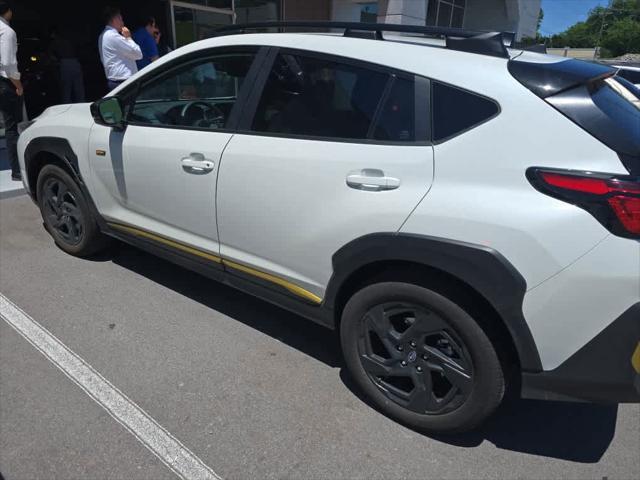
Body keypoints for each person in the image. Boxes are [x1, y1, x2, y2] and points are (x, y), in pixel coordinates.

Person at [0, 0, 22, 181]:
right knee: (13, 127)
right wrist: (18, 85)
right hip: (6, 83)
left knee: (9, 126)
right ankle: (17, 170)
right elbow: (7, 63)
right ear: (7, 12)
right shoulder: (7, 31)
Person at [98, 6, 142, 91]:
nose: (123, 22)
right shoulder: (114, 36)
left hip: (114, 80)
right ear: (115, 20)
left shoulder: (102, 36)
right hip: (123, 81)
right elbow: (138, 54)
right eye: (121, 19)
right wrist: (128, 37)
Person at [49, 27, 85, 103]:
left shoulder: (56, 42)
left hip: (66, 62)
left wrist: (56, 62)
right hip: (74, 62)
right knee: (77, 87)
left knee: (67, 87)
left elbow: (51, 54)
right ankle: (80, 102)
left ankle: (68, 103)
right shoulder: (69, 40)